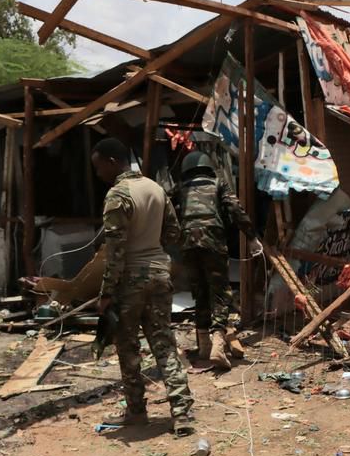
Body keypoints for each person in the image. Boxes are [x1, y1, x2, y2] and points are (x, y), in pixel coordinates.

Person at [91, 138, 196, 436]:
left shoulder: (117, 195)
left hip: (130, 282)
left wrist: (106, 293)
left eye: (98, 167)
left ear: (112, 162)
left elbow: (116, 251)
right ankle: (183, 412)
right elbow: (174, 231)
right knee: (164, 343)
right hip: (160, 274)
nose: (97, 173)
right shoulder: (156, 188)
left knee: (128, 347)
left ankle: (136, 412)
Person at [175, 150, 262, 369]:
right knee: (220, 293)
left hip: (187, 242)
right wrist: (251, 237)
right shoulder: (218, 183)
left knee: (200, 291)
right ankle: (218, 345)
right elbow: (235, 209)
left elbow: (165, 210)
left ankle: (204, 347)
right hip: (213, 241)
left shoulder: (179, 188)